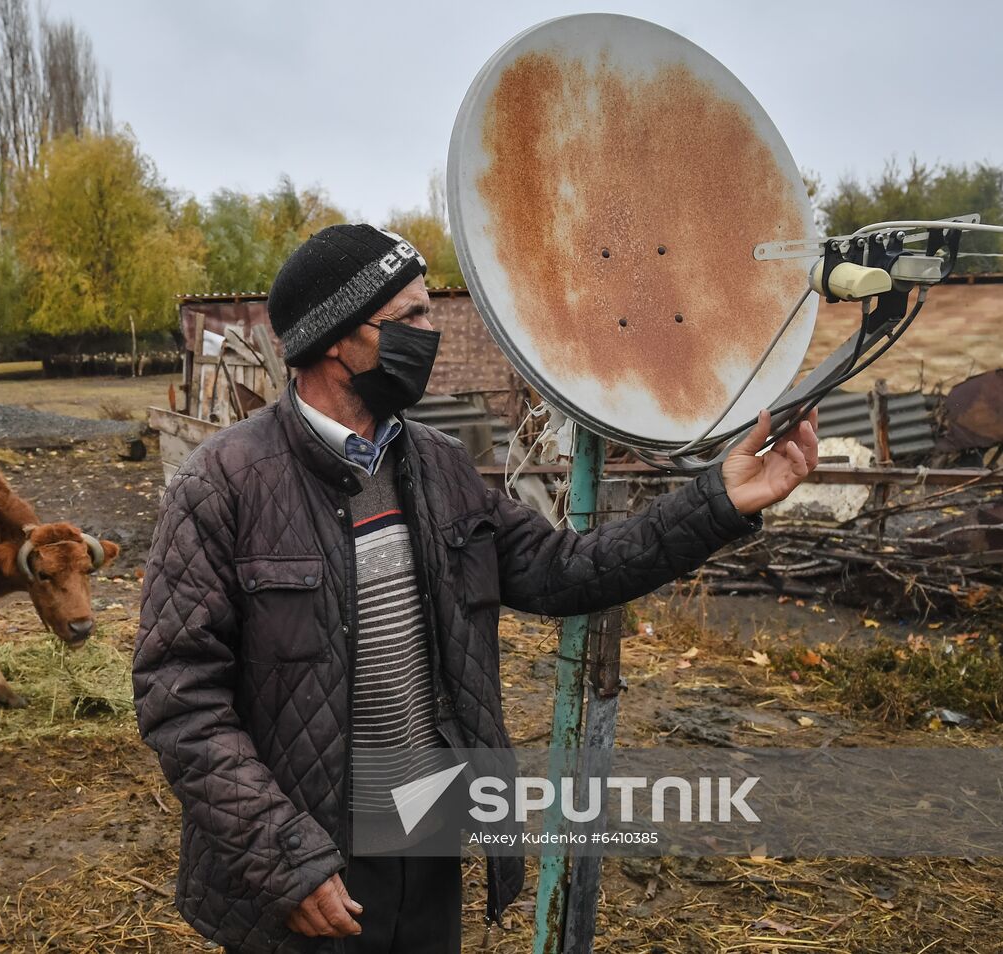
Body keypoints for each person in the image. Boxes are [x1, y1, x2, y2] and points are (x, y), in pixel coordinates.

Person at [133, 224, 819, 953]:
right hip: (308, 862)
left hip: (427, 832)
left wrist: (719, 500)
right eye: (413, 317)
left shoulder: (440, 467)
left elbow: (566, 569)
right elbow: (179, 695)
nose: (431, 332)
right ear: (337, 338)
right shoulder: (224, 484)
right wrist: (282, 856)